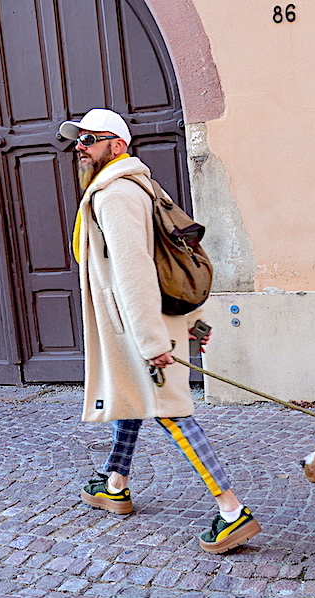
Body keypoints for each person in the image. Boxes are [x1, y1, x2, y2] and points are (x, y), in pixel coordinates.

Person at [59, 108, 261, 554]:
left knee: (170, 411)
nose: (80, 146)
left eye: (90, 138)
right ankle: (115, 481)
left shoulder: (115, 194)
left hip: (136, 323)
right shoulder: (136, 187)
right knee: (133, 395)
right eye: (78, 139)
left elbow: (136, 270)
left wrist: (153, 342)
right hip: (138, 319)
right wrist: (192, 321)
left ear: (118, 145)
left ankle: (232, 512)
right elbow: (168, 259)